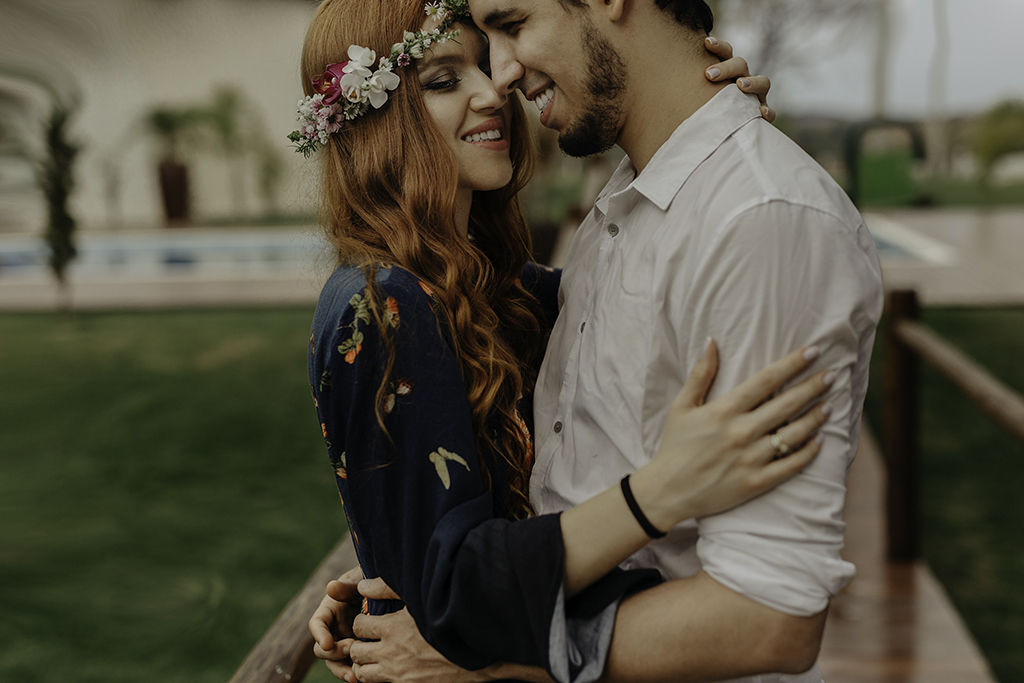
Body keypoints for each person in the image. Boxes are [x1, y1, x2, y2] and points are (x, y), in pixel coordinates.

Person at [327, 0, 885, 682]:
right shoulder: (628, 203)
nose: (499, 79)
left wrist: (486, 656)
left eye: (511, 25)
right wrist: (409, 564)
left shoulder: (759, 223)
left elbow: (769, 620)